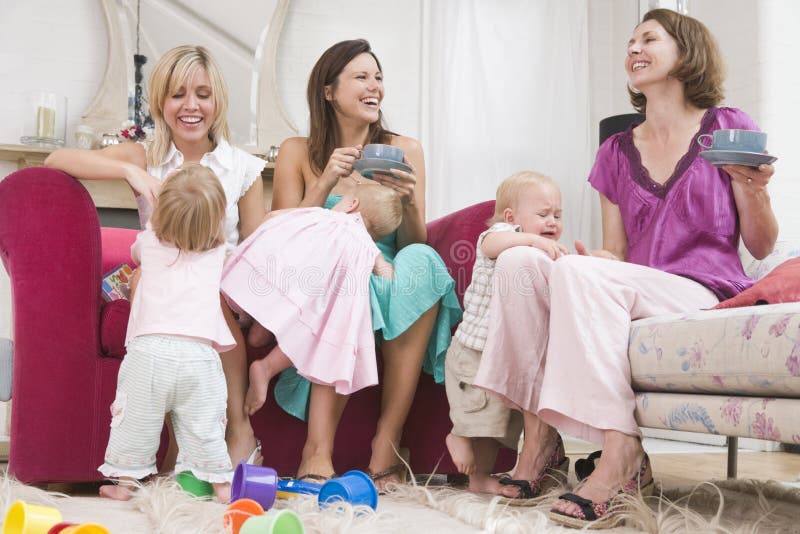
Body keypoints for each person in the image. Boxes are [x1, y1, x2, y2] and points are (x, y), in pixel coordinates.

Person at [472, 9, 778, 528]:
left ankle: (622, 454)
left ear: (687, 52)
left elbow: (761, 244)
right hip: (636, 284)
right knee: (521, 262)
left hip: (703, 289)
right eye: (630, 41)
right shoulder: (614, 151)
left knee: (574, 274)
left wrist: (753, 186)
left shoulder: (728, 127)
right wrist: (596, 264)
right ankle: (541, 441)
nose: (633, 48)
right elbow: (618, 251)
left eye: (649, 38)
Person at [44, 45, 266, 468]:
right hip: (160, 289)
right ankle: (162, 440)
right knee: (150, 276)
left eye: (202, 94)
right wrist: (130, 171)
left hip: (223, 290)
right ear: (161, 101)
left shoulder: (243, 168)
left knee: (210, 291)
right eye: (178, 94)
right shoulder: (145, 156)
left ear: (217, 101)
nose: (191, 106)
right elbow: (57, 159)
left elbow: (253, 253)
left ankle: (237, 425)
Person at [271, 39, 462, 489]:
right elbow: (281, 236)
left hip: (389, 270)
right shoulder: (297, 151)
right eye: (361, 77)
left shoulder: (404, 149)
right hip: (325, 269)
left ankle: (387, 443)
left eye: (377, 77)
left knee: (425, 261)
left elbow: (414, 242)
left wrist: (411, 203)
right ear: (328, 91)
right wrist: (325, 181)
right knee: (350, 271)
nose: (374, 86)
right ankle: (316, 451)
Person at [99, 164, 235, 502]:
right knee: (206, 429)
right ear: (217, 219)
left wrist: (155, 224)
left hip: (149, 353)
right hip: (199, 358)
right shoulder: (221, 254)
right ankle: (222, 486)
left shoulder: (149, 241)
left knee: (136, 424)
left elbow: (135, 254)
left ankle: (126, 486)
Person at [221, 185, 402, 415]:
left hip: (280, 287)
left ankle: (248, 319)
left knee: (269, 294)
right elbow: (385, 273)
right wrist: (390, 274)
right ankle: (267, 367)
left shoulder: (321, 215)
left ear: (351, 204)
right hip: (308, 303)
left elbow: (274, 217)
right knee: (313, 330)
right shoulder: (366, 245)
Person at [444, 172, 567, 496]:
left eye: (557, 214)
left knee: (498, 424)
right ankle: (459, 435)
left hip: (500, 355)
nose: (552, 221)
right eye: (543, 215)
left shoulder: (539, 250)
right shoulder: (503, 234)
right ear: (512, 217)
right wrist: (532, 239)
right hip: (474, 351)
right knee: (480, 415)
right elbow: (491, 243)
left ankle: (480, 479)